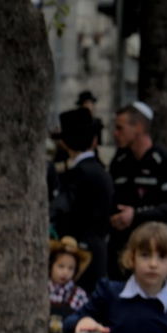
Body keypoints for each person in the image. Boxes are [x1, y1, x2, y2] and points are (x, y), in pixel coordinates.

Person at [107, 101, 167, 280]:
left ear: (139, 127)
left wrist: (135, 215)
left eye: (120, 128)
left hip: (156, 252)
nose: (115, 133)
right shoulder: (120, 162)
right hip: (124, 255)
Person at [51, 107, 113, 293]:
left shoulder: (80, 173)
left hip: (81, 254)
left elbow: (63, 208)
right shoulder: (98, 169)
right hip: (96, 249)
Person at [48, 237, 91, 333]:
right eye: (60, 266)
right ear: (51, 265)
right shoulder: (43, 290)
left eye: (70, 268)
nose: (65, 272)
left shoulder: (79, 295)